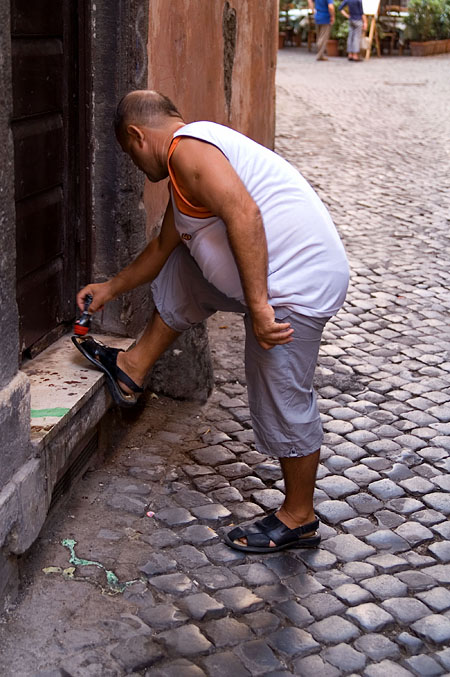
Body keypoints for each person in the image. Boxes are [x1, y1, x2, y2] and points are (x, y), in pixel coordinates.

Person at [74, 90, 349, 554]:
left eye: (129, 153)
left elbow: (245, 213)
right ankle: (133, 367)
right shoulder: (189, 166)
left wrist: (260, 308)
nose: (138, 167)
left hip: (296, 285)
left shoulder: (188, 152)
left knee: (280, 386)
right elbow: (161, 250)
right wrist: (110, 288)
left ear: (137, 136)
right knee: (183, 266)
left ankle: (300, 517)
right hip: (271, 277)